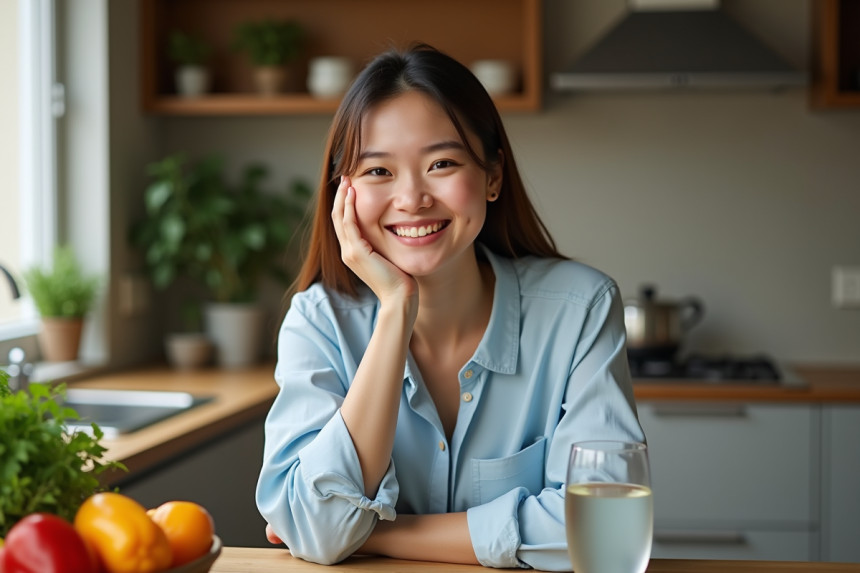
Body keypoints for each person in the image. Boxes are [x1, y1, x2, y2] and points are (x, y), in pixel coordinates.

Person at [256, 44, 645, 570]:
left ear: (492, 176)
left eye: (441, 163)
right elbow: (318, 529)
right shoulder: (319, 321)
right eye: (378, 171)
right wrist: (396, 308)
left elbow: (606, 534)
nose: (412, 198)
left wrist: (374, 533)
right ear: (342, 192)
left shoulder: (580, 309)